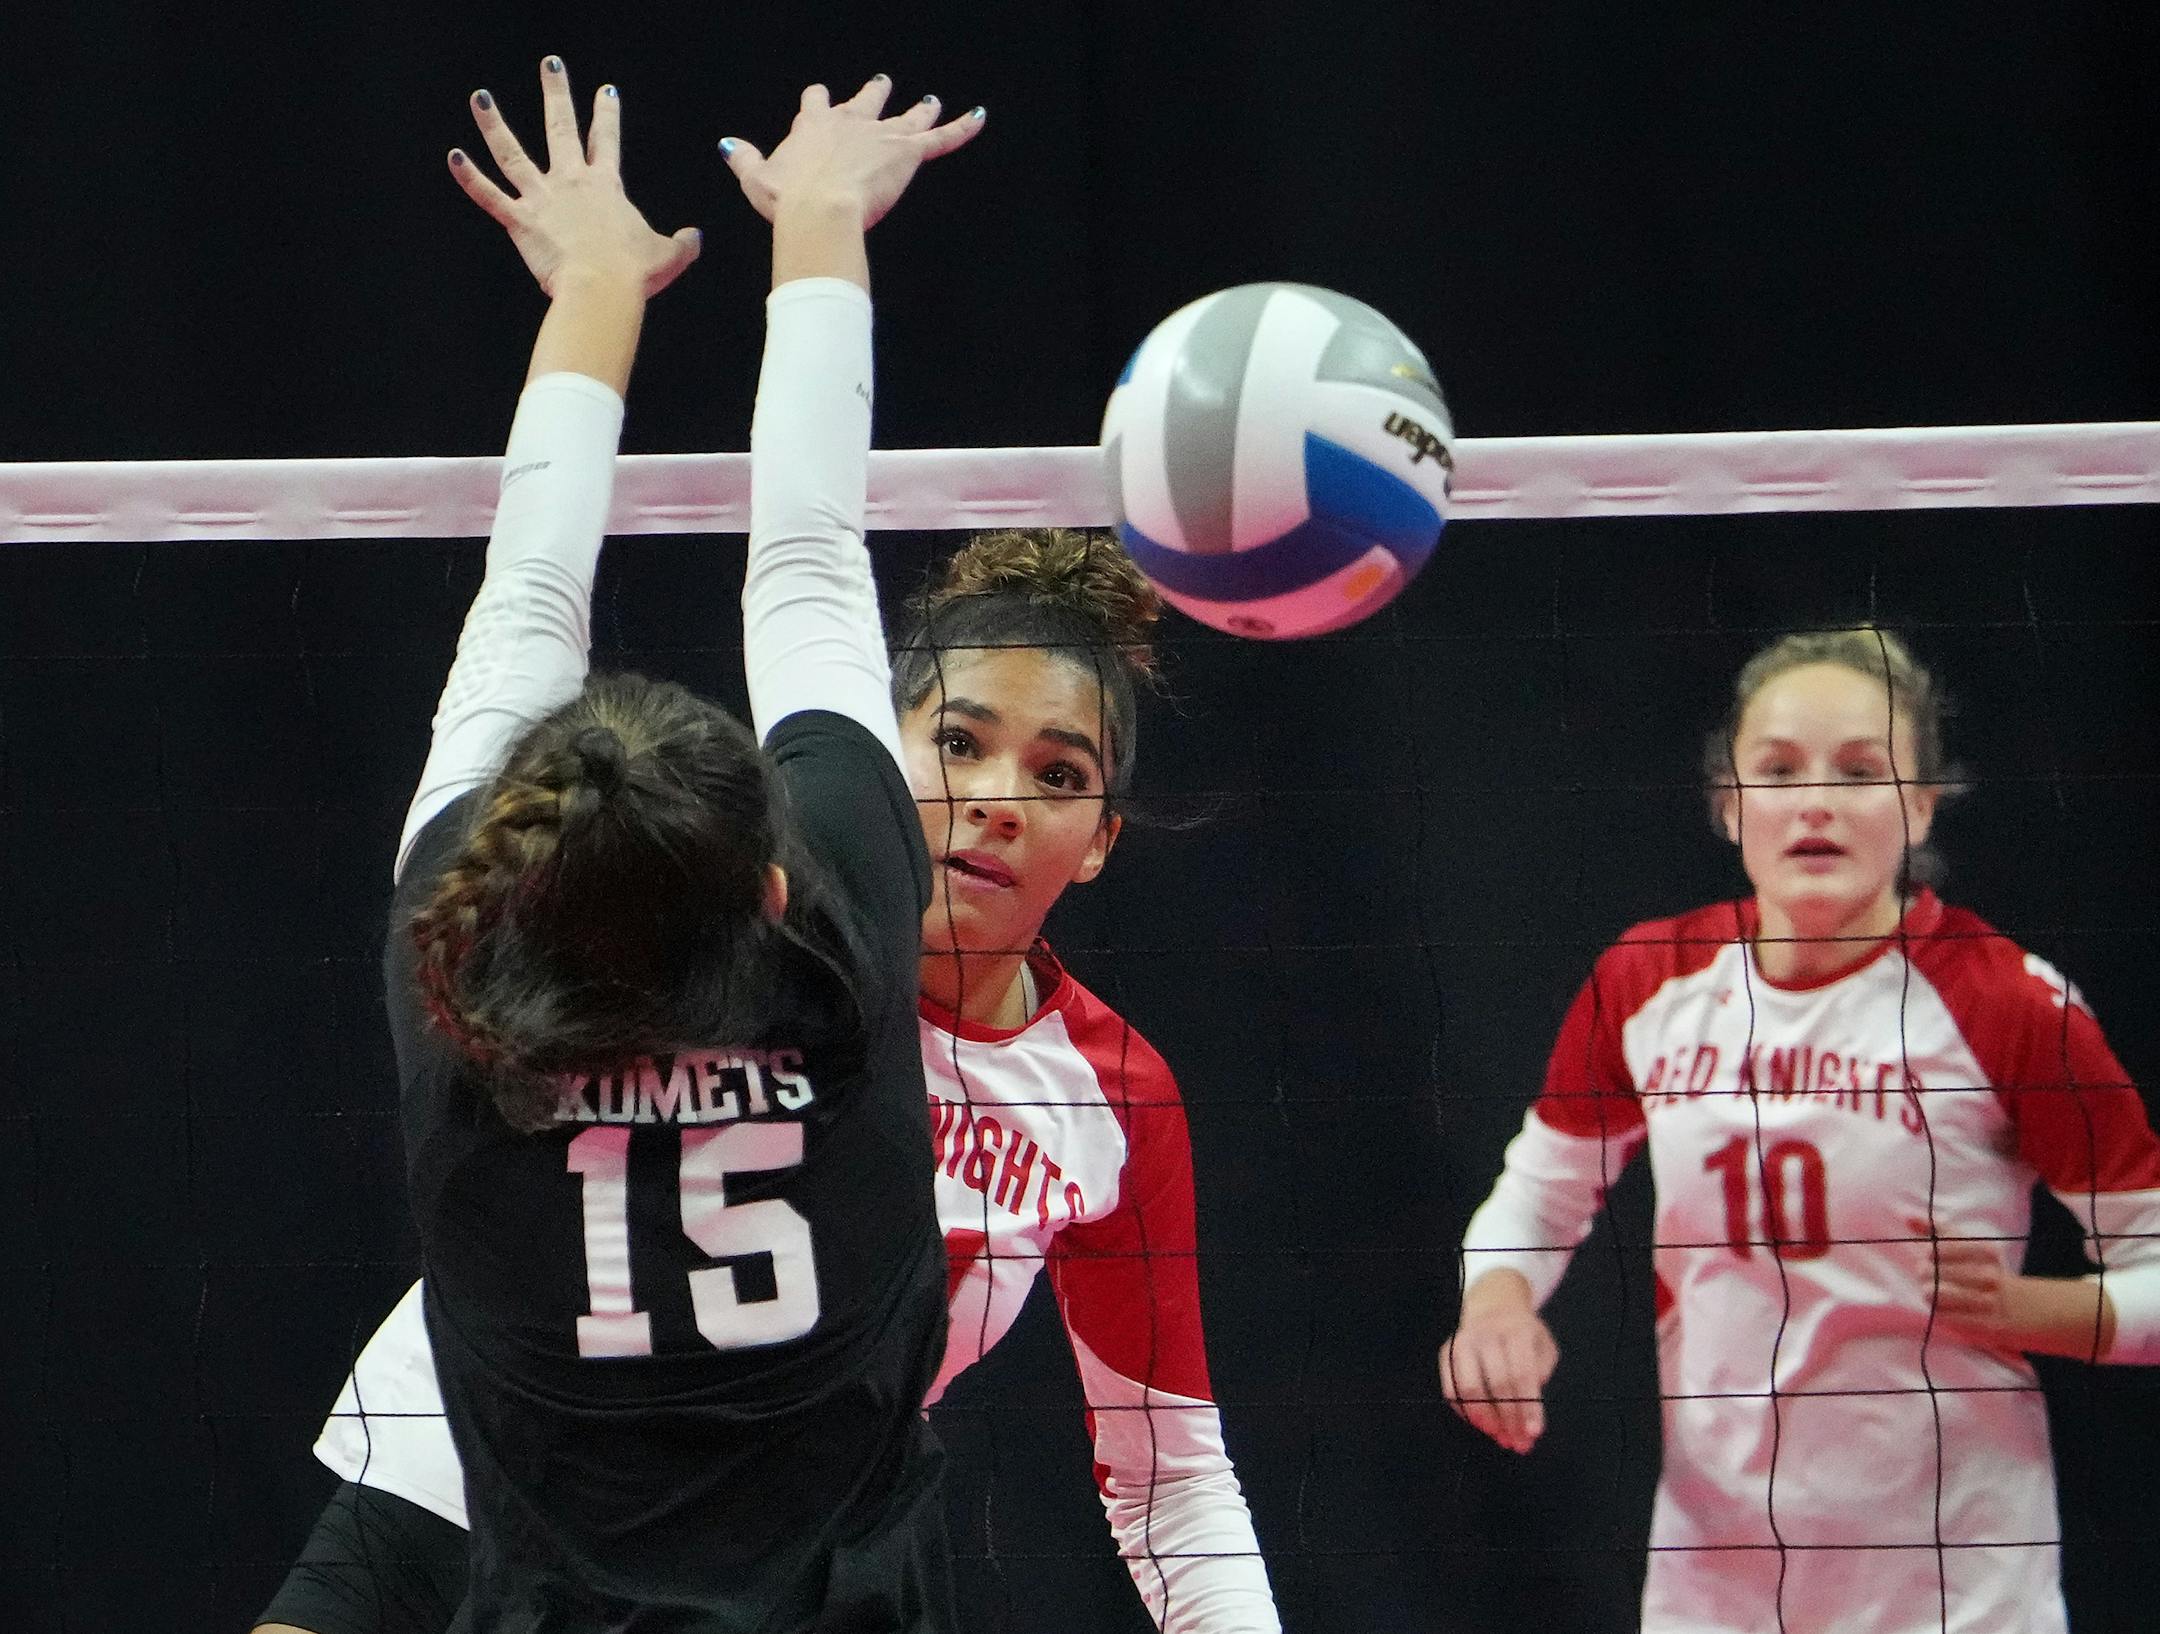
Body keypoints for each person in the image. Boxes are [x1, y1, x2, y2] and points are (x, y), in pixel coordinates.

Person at [258, 58, 984, 1632]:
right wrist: (817, 222)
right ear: (773, 885)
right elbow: (810, 558)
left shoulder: (453, 994)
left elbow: (527, 603)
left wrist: (593, 285)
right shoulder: (844, 939)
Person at [258, 526, 1283, 1634]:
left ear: (1097, 841)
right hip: (470, 1459)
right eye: (959, 742)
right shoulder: (727, 924)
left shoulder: (1107, 1096)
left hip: (768, 1545)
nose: (999, 798)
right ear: (880, 750)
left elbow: (1170, 1473)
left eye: (1059, 774)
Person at [1439, 627, 2160, 1634]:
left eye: (1860, 771)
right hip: (1716, 1582)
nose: (1815, 800)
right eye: (1777, 770)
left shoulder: (2007, 1004)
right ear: (1729, 804)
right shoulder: (1648, 981)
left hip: (1956, 1582)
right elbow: (1538, 1195)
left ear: (1921, 803)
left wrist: (2031, 1308)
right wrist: (1496, 1306)